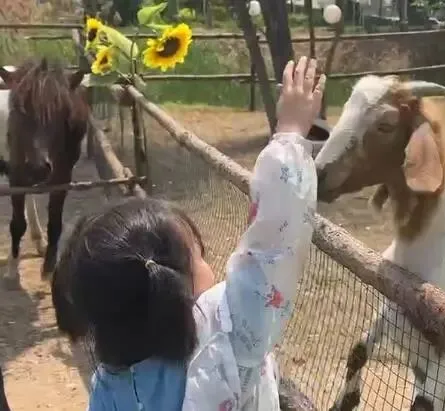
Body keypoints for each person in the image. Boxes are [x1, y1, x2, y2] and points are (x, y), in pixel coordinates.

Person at [50, 55, 325, 410]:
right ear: (174, 291)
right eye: (198, 256)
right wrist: (290, 135)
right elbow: (273, 245)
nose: (209, 264)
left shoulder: (110, 384)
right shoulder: (224, 341)